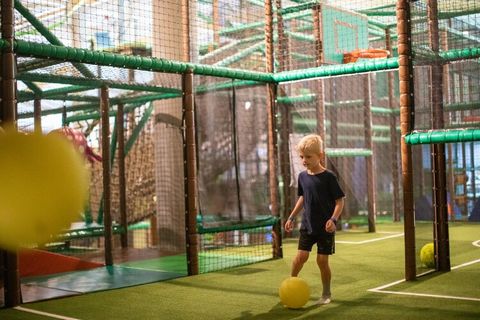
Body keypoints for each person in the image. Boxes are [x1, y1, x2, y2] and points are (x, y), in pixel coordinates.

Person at [284, 134, 345, 305]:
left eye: (309, 157)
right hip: (307, 225)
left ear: (321, 155)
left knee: (322, 261)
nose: (304, 160)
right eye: (302, 157)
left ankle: (326, 293)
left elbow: (340, 201)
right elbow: (303, 198)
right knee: (300, 257)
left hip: (325, 228)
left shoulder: (329, 177)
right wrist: (291, 216)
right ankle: (290, 284)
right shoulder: (302, 177)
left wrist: (333, 220)